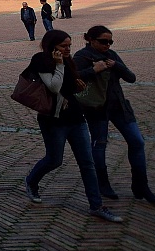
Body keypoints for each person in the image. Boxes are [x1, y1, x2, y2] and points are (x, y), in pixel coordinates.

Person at [22, 30, 122, 222]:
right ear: (52, 46)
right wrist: (59, 64)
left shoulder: (68, 60)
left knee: (87, 163)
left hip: (75, 117)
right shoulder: (41, 60)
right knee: (54, 160)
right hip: (53, 120)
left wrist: (78, 86)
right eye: (63, 46)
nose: (68, 49)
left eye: (69, 45)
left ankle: (96, 206)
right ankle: (32, 181)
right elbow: (53, 86)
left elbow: (69, 85)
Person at [74, 25, 155, 205]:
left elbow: (131, 77)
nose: (107, 45)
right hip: (97, 108)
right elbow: (73, 79)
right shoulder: (81, 56)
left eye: (110, 41)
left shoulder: (112, 55)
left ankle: (141, 185)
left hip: (119, 106)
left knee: (137, 141)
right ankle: (103, 183)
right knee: (99, 145)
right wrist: (94, 70)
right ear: (90, 40)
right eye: (103, 41)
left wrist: (117, 65)